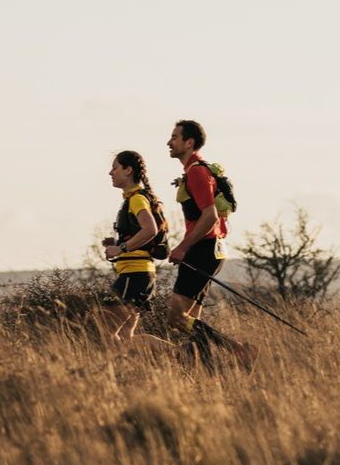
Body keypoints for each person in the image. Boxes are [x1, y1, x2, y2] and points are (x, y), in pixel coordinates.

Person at [166, 120, 257, 368]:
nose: (169, 142)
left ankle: (238, 349)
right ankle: (209, 374)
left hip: (202, 249)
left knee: (176, 317)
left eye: (174, 137)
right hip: (212, 249)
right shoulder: (197, 170)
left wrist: (183, 247)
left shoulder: (197, 172)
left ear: (189, 143)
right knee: (191, 319)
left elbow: (210, 216)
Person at [101, 150, 172, 350]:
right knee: (126, 338)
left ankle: (179, 352)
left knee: (103, 332)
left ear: (128, 170)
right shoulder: (134, 198)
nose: (110, 173)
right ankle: (182, 352)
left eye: (115, 168)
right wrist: (116, 243)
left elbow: (150, 229)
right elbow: (141, 234)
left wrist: (121, 248)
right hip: (141, 275)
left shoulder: (136, 199)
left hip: (134, 276)